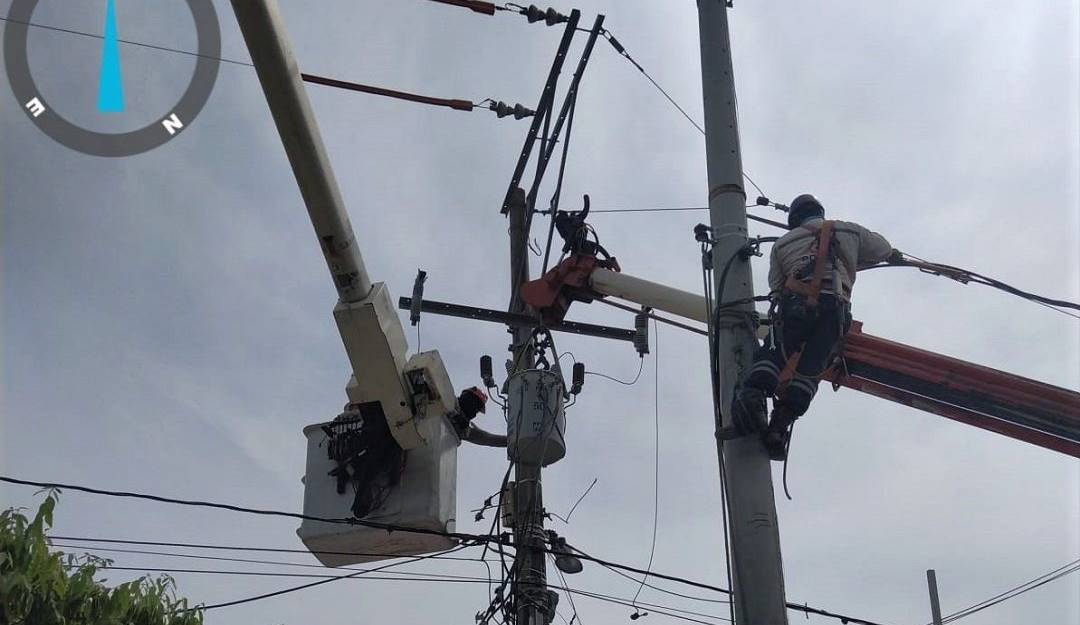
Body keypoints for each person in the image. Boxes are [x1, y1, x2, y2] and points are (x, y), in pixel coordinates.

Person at [733, 194, 902, 460]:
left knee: (774, 353)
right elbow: (881, 248)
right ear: (819, 212)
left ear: (794, 220)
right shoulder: (848, 230)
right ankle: (780, 425)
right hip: (835, 309)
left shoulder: (782, 244)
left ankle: (752, 395)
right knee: (811, 369)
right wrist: (891, 255)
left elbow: (776, 289)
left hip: (795, 304)